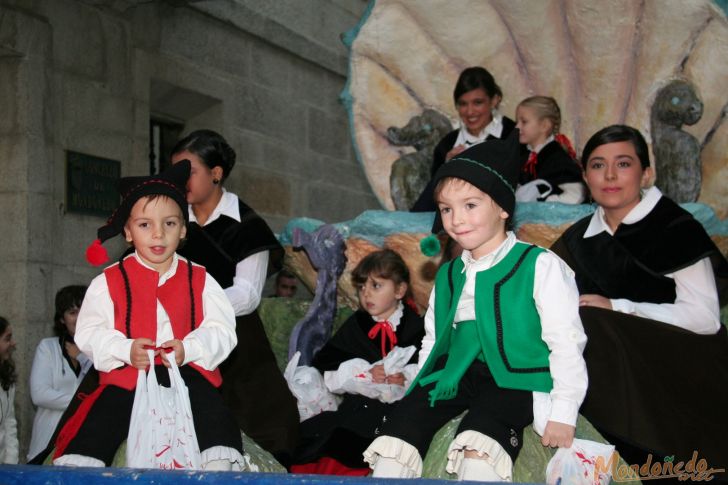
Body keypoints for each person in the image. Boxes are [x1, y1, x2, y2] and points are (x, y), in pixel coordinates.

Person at [364, 132, 588, 481]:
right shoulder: (449, 274)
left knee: (482, 438)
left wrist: (564, 410)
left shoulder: (539, 265)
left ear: (502, 206)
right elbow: (434, 339)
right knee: (400, 427)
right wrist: (419, 389)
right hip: (457, 373)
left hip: (517, 376)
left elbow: (566, 340)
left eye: (470, 205)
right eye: (446, 209)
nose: (456, 220)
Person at [551, 125, 728, 472]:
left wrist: (618, 308)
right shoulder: (577, 240)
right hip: (610, 372)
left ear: (646, 172)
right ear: (586, 176)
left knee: (592, 322)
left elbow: (706, 320)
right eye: (598, 165)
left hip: (690, 364)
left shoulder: (677, 227)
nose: (611, 175)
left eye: (624, 163)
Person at [52, 160, 244, 470]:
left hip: (187, 372)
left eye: (169, 223)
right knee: (101, 420)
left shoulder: (200, 278)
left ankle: (217, 467)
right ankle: (82, 467)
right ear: (128, 232)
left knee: (213, 415)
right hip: (128, 375)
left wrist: (189, 348)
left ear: (183, 229)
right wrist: (124, 349)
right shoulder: (109, 281)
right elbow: (90, 331)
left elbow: (222, 329)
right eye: (145, 225)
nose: (158, 234)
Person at [170, 129, 299, 465]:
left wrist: (192, 305)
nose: (180, 179)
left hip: (235, 336)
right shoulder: (170, 218)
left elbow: (247, 295)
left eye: (189, 170)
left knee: (262, 425)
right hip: (172, 331)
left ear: (216, 173)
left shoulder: (246, 224)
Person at [290, 249, 425, 476]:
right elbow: (328, 367)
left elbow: (429, 366)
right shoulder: (357, 325)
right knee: (334, 437)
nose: (366, 294)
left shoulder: (416, 327)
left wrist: (405, 377)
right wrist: (364, 373)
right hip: (356, 408)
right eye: (362, 287)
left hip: (399, 412)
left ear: (400, 290)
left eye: (376, 286)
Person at [411, 66, 516, 212]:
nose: (470, 111)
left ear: (494, 100)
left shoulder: (515, 135)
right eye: (463, 104)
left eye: (478, 102)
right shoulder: (446, 145)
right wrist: (447, 169)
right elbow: (432, 203)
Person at [27, 285, 92, 461]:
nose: (78, 318)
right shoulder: (47, 348)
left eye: (83, 311)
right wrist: (84, 401)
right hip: (46, 444)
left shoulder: (98, 352)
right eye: (72, 312)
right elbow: (40, 395)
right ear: (62, 319)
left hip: (83, 446)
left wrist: (84, 358)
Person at [515, 96, 585, 203]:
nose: (517, 127)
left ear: (544, 125)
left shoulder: (558, 159)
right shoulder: (524, 155)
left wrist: (547, 206)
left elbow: (576, 194)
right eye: (517, 122)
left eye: (524, 122)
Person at [0, 316, 18, 464]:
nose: (13, 343)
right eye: (7, 338)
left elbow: (9, 422)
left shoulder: (6, 376)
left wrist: (10, 463)